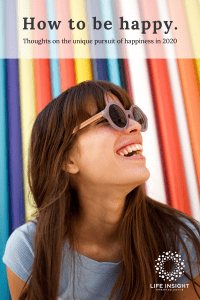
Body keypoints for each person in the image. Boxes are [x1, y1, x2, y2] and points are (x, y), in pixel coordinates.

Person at [2, 80, 200, 300]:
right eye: (113, 118)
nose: (134, 126)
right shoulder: (29, 250)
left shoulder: (182, 239)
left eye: (134, 116)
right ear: (67, 159)